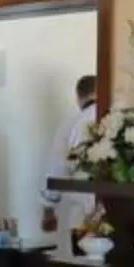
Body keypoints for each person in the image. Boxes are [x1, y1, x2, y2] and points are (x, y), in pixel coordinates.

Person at [41, 74, 98, 228]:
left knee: (87, 251)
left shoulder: (70, 125)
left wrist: (49, 209)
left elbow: (56, 167)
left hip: (83, 210)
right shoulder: (118, 120)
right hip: (121, 208)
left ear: (79, 97)